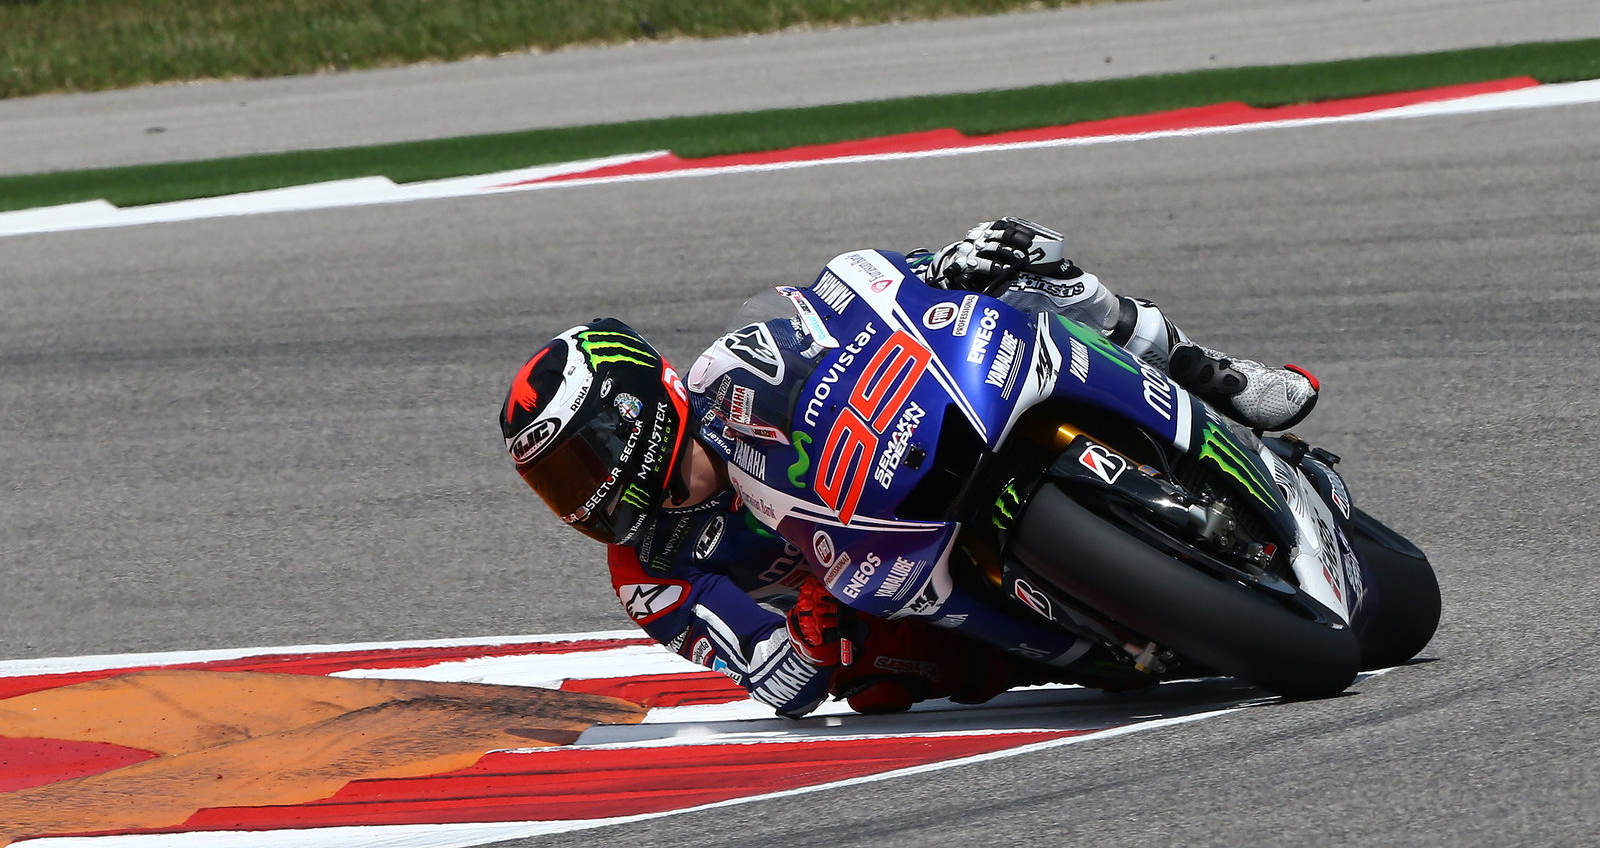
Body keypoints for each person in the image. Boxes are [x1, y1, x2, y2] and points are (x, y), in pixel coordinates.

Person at [498, 218, 1320, 717]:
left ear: (632, 409)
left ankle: (1216, 378)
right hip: (889, 589)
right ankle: (1078, 644)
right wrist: (799, 638)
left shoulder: (729, 370)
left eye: (579, 462)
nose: (581, 492)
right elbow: (770, 678)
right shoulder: (649, 571)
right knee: (868, 677)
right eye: (556, 484)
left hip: (905, 456)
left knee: (1029, 275)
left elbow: (845, 303)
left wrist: (944, 265)